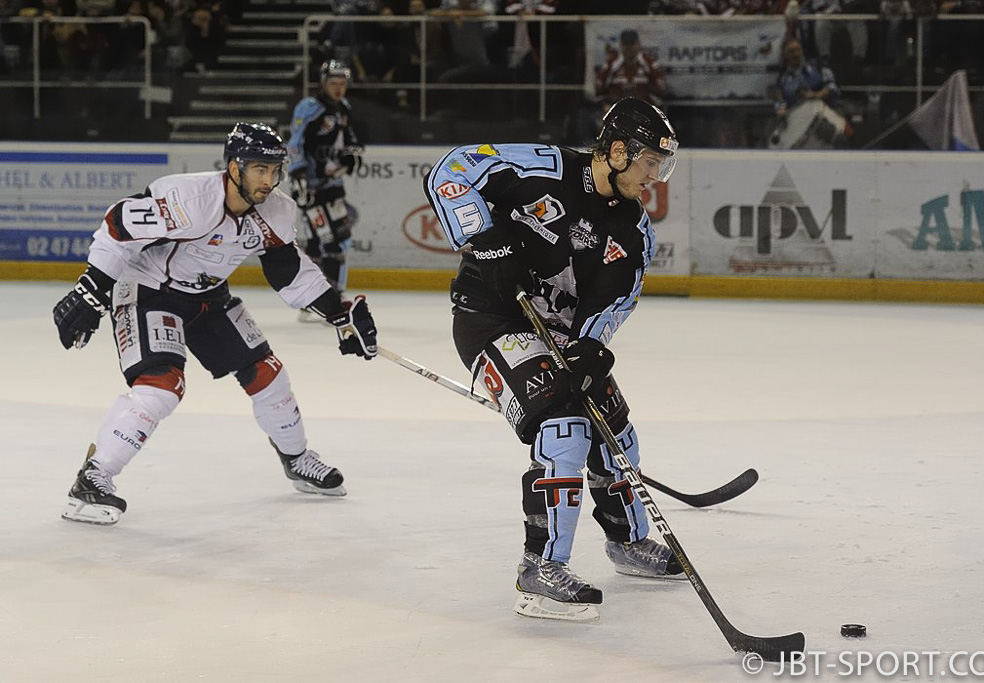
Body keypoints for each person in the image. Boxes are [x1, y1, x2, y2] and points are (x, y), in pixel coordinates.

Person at [421, 98, 685, 622]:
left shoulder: (634, 232)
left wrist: (590, 347)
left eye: (660, 165)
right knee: (565, 427)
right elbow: (451, 170)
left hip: (557, 333)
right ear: (617, 151)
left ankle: (627, 542)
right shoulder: (543, 167)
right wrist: (486, 239)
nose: (655, 176)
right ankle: (539, 568)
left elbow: (616, 301)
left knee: (613, 424)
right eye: (650, 162)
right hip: (490, 318)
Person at [52, 122, 379, 526]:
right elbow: (118, 226)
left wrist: (338, 312)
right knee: (162, 385)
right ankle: (93, 478)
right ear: (234, 167)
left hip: (208, 297)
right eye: (259, 169)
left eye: (275, 170)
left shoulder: (276, 210)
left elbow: (288, 271)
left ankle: (296, 459)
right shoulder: (188, 198)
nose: (269, 180)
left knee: (268, 375)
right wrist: (90, 289)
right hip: (149, 290)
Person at [287, 59, 364, 317]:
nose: (338, 89)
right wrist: (298, 178)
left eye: (342, 84)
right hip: (311, 187)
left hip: (333, 186)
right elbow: (295, 144)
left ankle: (322, 297)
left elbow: (350, 140)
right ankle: (324, 300)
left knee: (337, 239)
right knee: (327, 241)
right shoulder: (310, 108)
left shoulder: (344, 108)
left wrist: (351, 155)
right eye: (333, 83)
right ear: (323, 83)